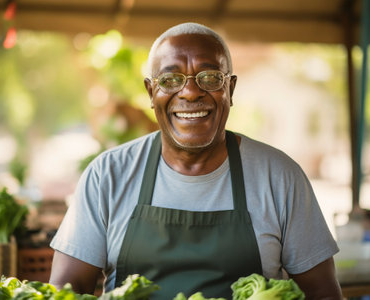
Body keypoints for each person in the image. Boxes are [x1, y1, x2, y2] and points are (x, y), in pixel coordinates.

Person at [49, 22, 343, 299]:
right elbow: (66, 290)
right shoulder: (108, 174)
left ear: (230, 89)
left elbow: (324, 294)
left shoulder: (279, 176)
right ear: (151, 92)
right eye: (171, 79)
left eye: (210, 77)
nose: (190, 92)